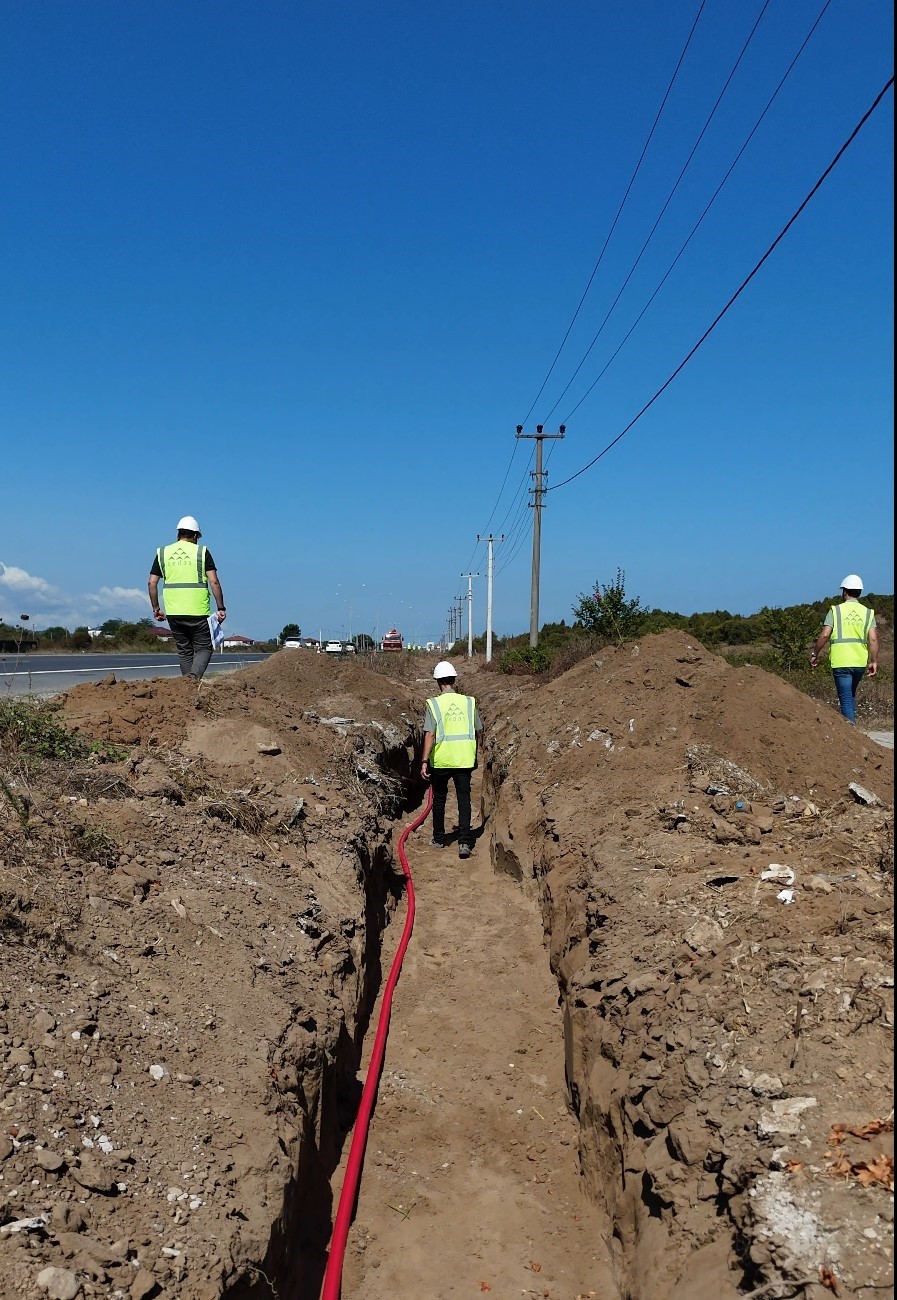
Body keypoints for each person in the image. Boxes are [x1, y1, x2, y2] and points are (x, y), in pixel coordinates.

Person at [148, 515, 226, 680]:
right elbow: (214, 582)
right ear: (196, 535)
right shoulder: (201, 552)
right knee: (204, 648)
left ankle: (186, 685)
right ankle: (192, 680)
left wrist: (156, 608)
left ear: (178, 534)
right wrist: (221, 608)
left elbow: (152, 583)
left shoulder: (163, 553)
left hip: (174, 612)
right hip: (198, 611)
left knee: (184, 651)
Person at [421, 660, 483, 859]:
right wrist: (474, 754)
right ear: (454, 680)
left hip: (441, 760)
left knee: (439, 799)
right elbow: (477, 730)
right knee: (464, 799)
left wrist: (424, 761)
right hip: (464, 759)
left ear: (438, 682)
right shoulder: (469, 702)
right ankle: (464, 842)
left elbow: (430, 734)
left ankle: (439, 839)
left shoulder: (434, 704)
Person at [810, 574, 879, 724]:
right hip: (859, 662)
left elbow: (825, 635)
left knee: (846, 698)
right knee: (850, 695)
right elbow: (873, 639)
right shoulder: (868, 613)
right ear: (859, 592)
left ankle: (851, 732)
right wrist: (874, 661)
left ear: (844, 591)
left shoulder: (835, 611)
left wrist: (815, 653)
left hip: (841, 661)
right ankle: (851, 731)